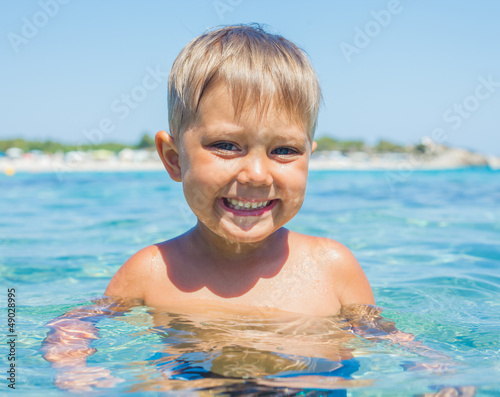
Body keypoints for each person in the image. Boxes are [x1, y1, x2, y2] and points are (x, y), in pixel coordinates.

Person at [105, 24, 374, 315]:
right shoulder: (149, 273)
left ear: (309, 157)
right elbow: (75, 332)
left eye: (284, 150)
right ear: (174, 159)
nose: (257, 174)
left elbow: (389, 345)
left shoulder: (332, 268)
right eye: (227, 145)